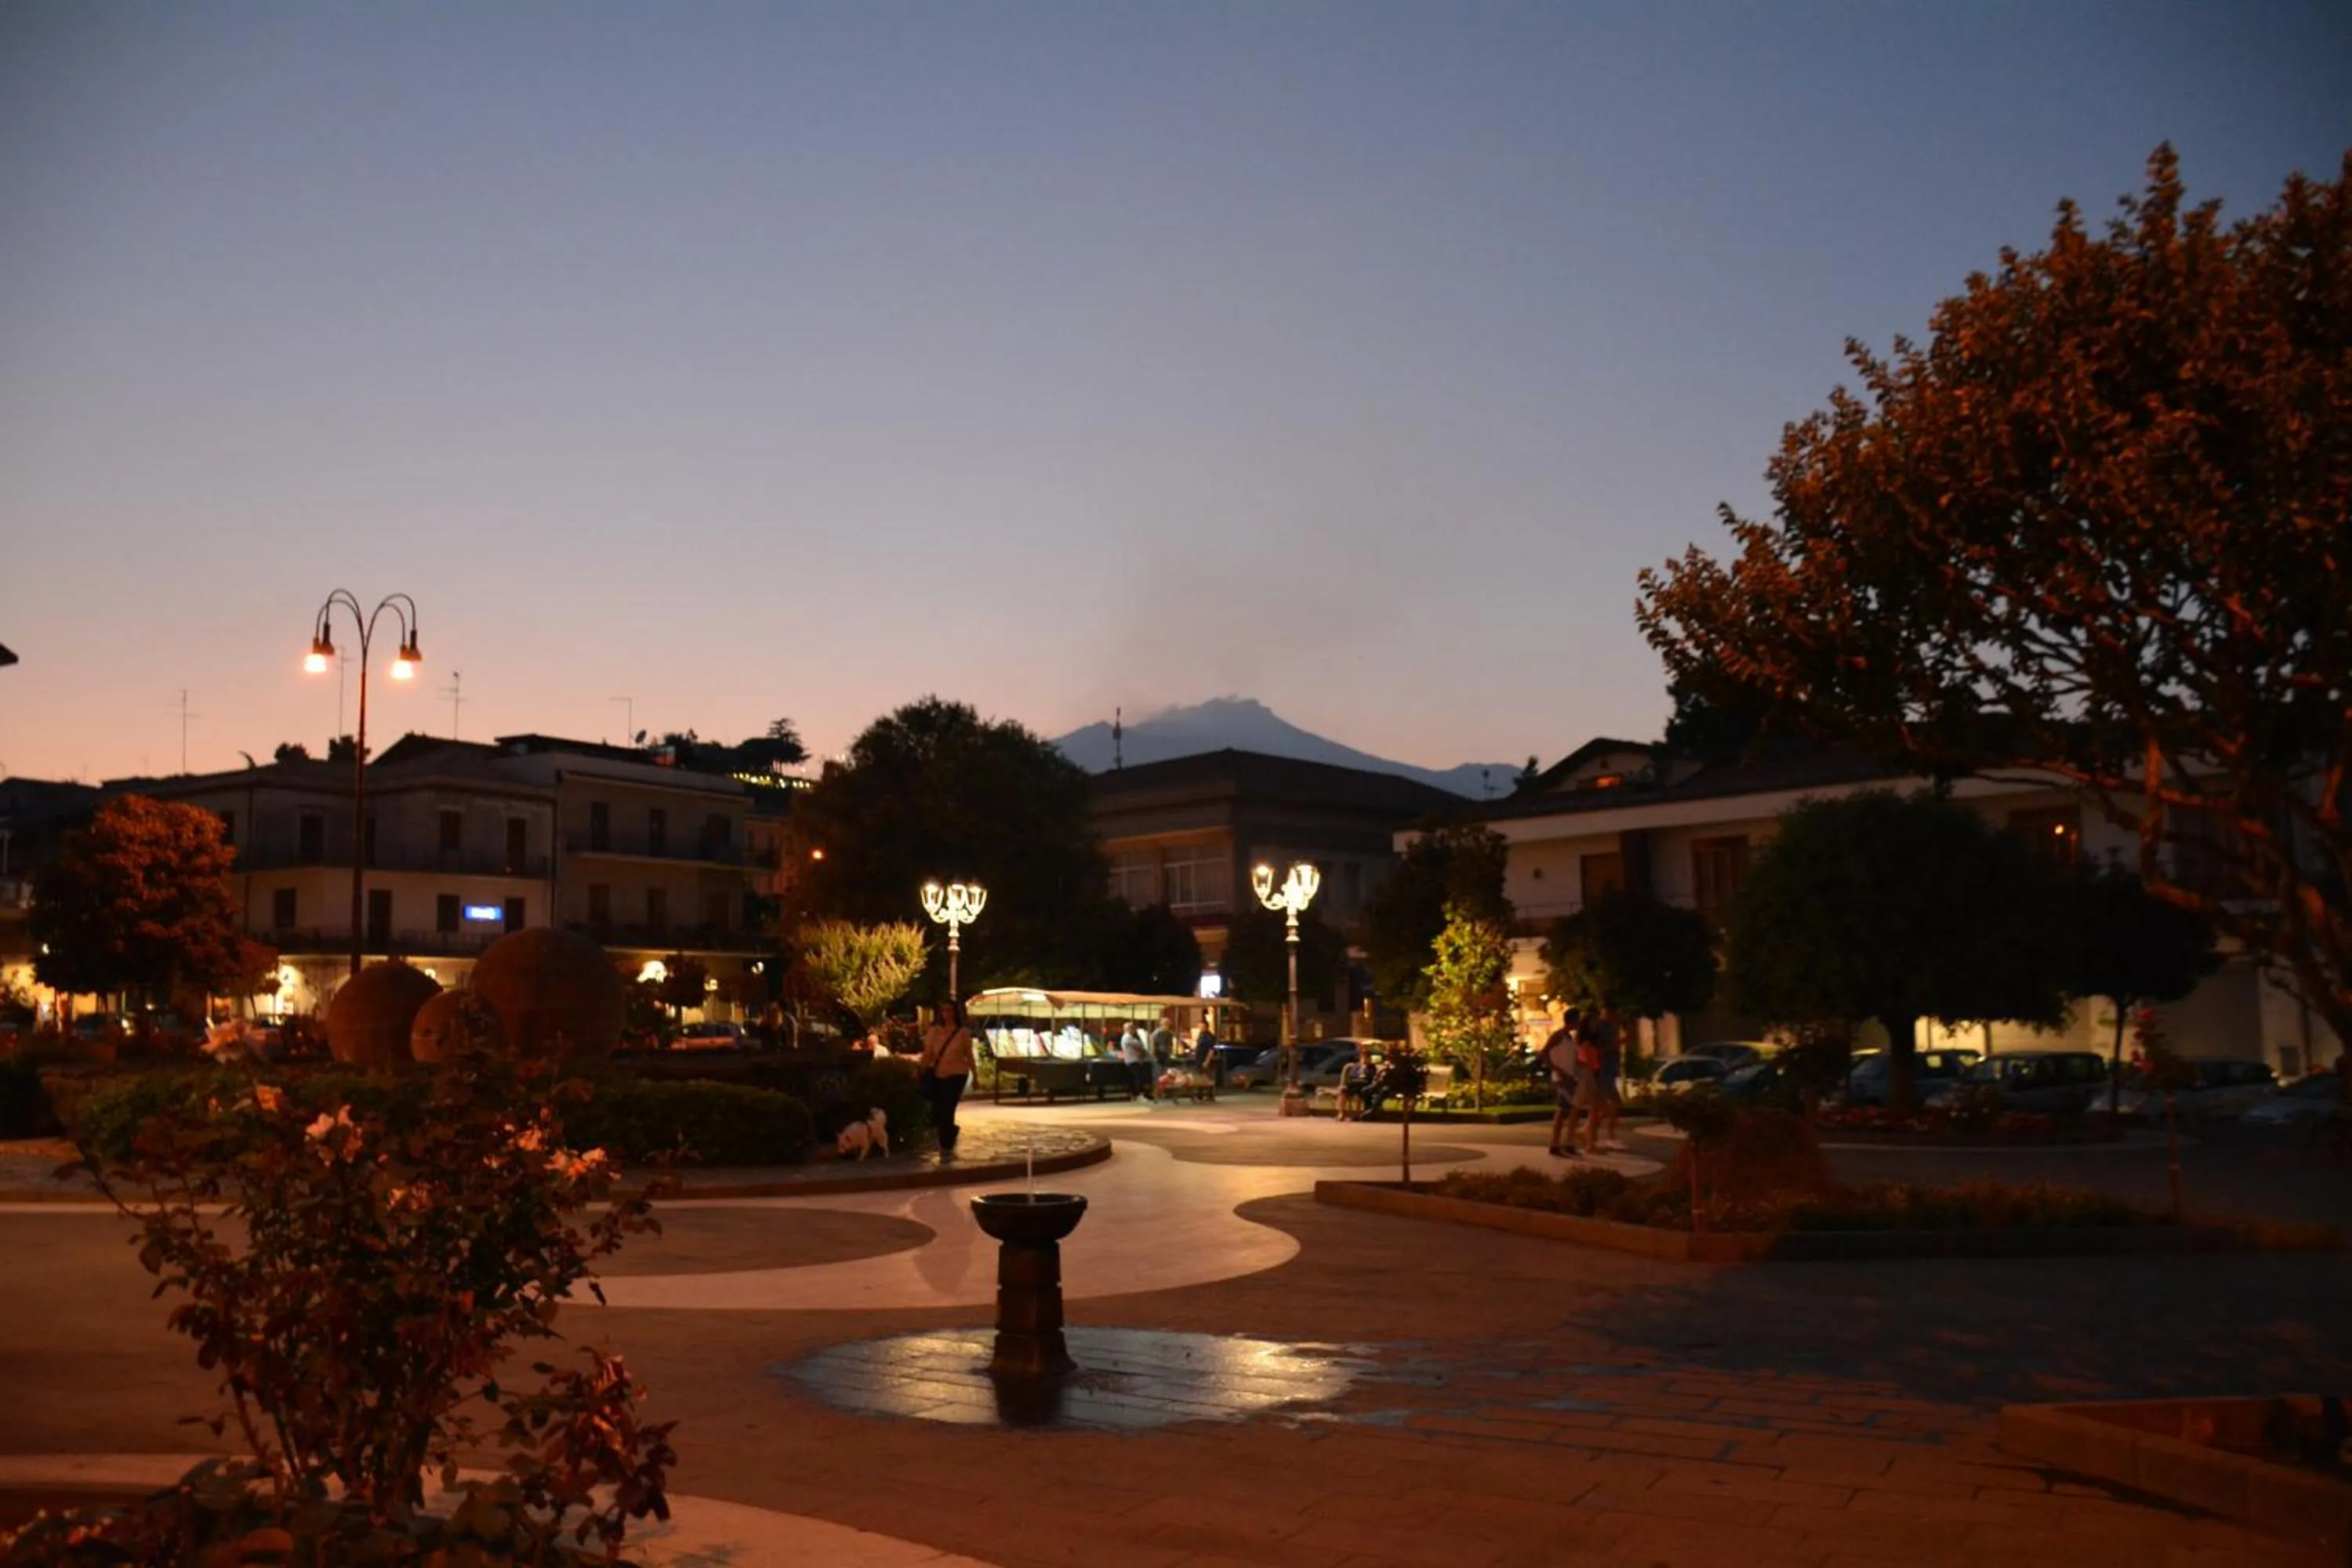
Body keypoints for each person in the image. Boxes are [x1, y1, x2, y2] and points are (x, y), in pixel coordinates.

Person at [916, 1000, 976, 1160]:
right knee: (938, 1109)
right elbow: (928, 1054)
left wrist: (975, 1075)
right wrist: (920, 1070)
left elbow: (969, 1055)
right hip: (938, 1074)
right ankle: (950, 1131)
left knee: (948, 1108)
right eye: (944, 1010)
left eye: (950, 1010)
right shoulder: (934, 1031)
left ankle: (946, 1145)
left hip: (957, 1074)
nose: (946, 1014)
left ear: (956, 1013)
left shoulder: (963, 1033)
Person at [1586, 1007, 1628, 1153]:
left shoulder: (1610, 1027)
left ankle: (1589, 1134)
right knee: (1610, 1104)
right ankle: (1607, 1136)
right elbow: (1600, 1050)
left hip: (1607, 1070)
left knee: (1604, 1107)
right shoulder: (1601, 1028)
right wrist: (1618, 1043)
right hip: (1602, 1071)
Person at [1544, 1011, 1583, 1156]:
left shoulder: (1570, 1038)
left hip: (1570, 1078)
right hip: (1562, 1079)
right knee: (1565, 1110)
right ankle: (1558, 1144)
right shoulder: (1558, 1036)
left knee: (1569, 1110)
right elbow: (1544, 1053)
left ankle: (1566, 1143)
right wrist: (1556, 1070)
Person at [1119, 1022, 1155, 1100]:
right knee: (1138, 1078)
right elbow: (1139, 1046)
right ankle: (1138, 1094)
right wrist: (1143, 1051)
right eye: (1132, 1028)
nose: (1134, 1030)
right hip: (1133, 1061)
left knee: (1135, 1078)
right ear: (1128, 1029)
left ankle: (1135, 1094)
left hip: (1134, 1060)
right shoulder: (1127, 1038)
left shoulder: (1129, 1037)